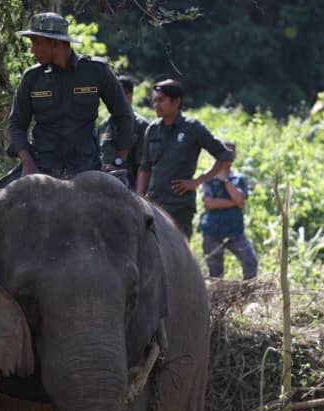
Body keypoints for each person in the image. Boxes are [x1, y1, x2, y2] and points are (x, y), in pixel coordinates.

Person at [6, 12, 132, 179]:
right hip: (41, 166)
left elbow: (123, 114)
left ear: (57, 43)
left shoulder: (96, 71)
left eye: (37, 42)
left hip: (87, 167)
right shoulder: (32, 77)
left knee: (124, 202)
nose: (32, 49)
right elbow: (16, 124)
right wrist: (28, 163)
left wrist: (118, 160)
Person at [136, 79, 232, 239]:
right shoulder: (152, 130)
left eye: (161, 100)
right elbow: (144, 168)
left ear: (176, 102)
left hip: (180, 207)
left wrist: (197, 181)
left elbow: (224, 157)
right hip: (154, 205)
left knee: (179, 257)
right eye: (154, 100)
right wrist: (139, 199)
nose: (156, 105)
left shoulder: (192, 128)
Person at [199, 141, 257, 280]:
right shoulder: (207, 177)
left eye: (229, 153)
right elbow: (209, 203)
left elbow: (241, 201)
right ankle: (218, 300)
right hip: (212, 232)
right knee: (215, 274)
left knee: (250, 262)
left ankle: (247, 296)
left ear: (235, 156)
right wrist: (234, 202)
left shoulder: (239, 178)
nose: (225, 156)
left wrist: (225, 180)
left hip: (235, 231)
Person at [100, 75, 150, 188]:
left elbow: (144, 167)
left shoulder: (141, 125)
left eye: (117, 95)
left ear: (130, 96)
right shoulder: (104, 125)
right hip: (104, 187)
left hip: (128, 189)